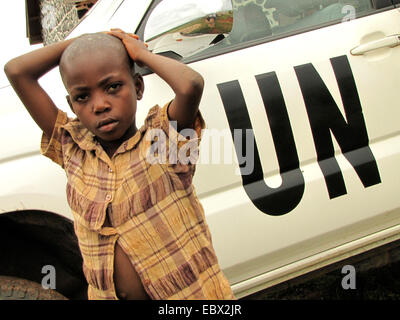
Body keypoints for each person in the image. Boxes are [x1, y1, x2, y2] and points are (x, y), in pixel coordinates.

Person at [4, 29, 235, 300]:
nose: (100, 105)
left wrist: (140, 54)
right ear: (72, 104)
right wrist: (85, 40)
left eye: (113, 87)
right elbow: (16, 71)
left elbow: (190, 85)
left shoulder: (162, 143)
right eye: (82, 97)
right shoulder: (73, 149)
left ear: (137, 87)